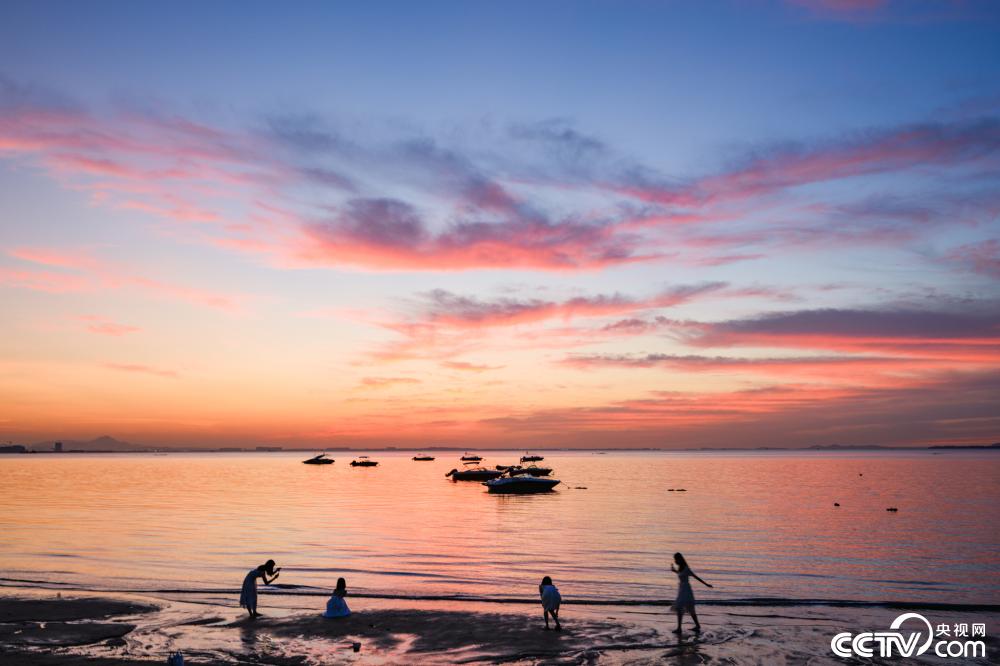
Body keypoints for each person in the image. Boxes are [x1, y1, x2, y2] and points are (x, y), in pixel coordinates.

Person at [671, 552, 712, 633]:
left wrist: (706, 584)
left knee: (685, 608)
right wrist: (674, 570)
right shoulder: (680, 568)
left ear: (680, 559)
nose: (675, 560)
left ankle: (682, 628)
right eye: (675, 559)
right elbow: (681, 574)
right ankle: (694, 626)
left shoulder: (686, 568)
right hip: (682, 589)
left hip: (686, 590)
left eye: (676, 559)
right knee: (683, 608)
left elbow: (695, 576)